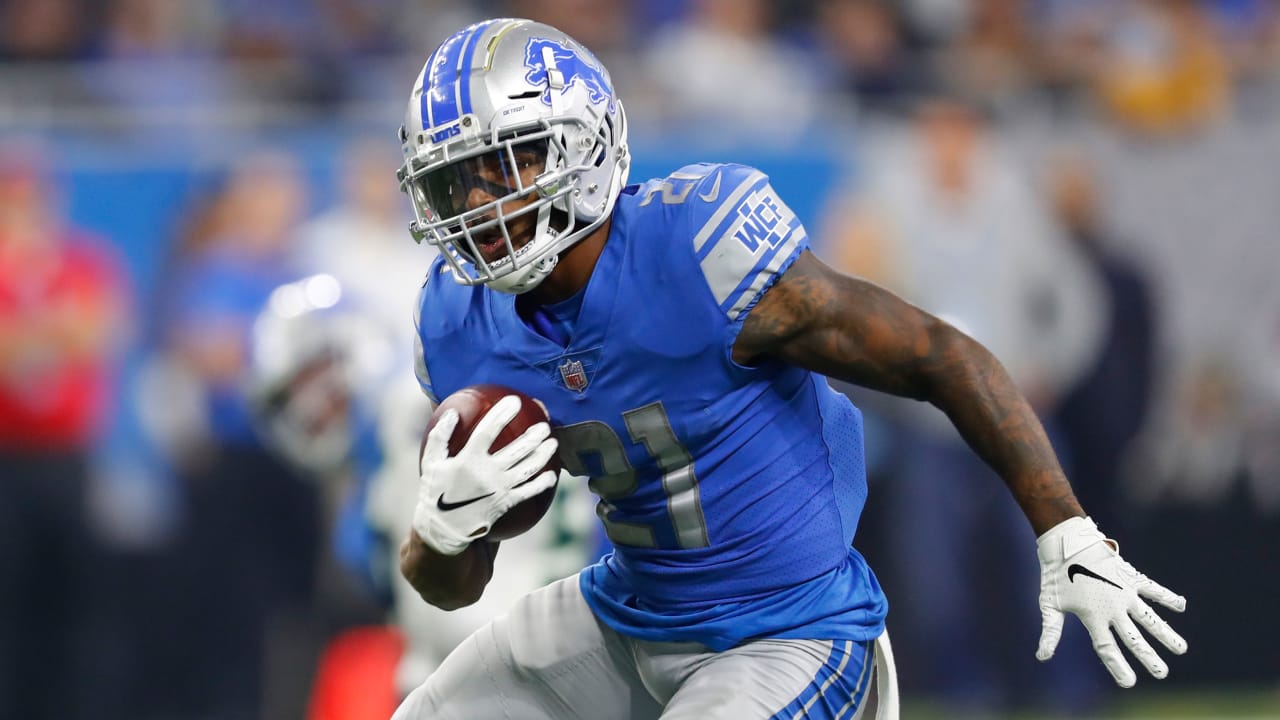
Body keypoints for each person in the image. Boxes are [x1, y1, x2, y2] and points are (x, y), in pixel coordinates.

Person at [391, 19, 1187, 720]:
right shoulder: (458, 325)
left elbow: (940, 356)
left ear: (584, 144)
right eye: (456, 181)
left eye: (509, 163)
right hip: (629, 611)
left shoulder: (698, 252)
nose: (481, 205)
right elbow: (450, 585)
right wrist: (440, 532)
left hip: (790, 632)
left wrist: (1066, 529)